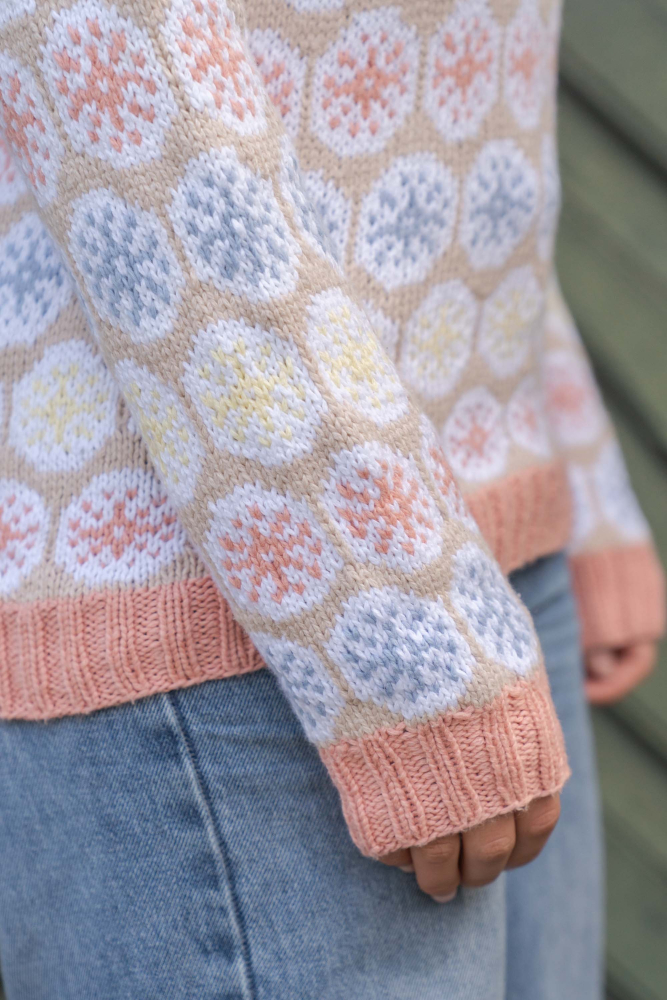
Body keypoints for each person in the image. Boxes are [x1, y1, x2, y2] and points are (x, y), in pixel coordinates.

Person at [0, 0, 663, 997]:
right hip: (252, 596)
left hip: (474, 548)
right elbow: (114, 66)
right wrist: (398, 632)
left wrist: (572, 461)